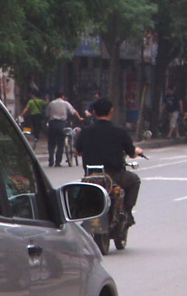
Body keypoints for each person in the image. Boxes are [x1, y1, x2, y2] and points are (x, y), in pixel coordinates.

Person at [74, 97, 143, 225]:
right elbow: (132, 153)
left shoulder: (86, 132)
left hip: (91, 176)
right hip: (115, 176)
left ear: (94, 112)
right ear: (111, 111)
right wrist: (137, 151)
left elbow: (76, 151)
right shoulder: (119, 131)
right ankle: (127, 212)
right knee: (134, 180)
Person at [45, 91, 79, 167]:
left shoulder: (51, 104)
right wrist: (79, 118)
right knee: (60, 144)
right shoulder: (65, 103)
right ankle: (58, 162)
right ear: (62, 96)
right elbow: (73, 112)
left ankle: (51, 160)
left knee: (51, 143)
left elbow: (47, 114)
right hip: (61, 124)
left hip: (52, 124)